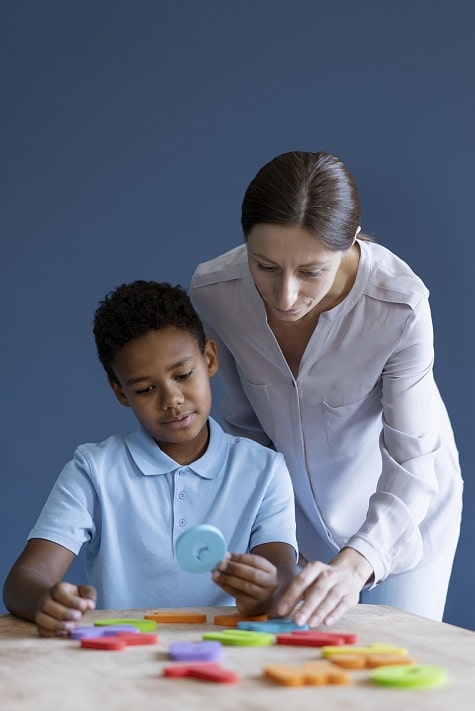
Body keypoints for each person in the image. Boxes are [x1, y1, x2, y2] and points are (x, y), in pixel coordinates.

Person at [190, 150, 463, 627]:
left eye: (312, 271)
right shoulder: (215, 293)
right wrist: (262, 535)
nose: (285, 297)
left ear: (351, 242)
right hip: (290, 526)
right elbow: (247, 428)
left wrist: (357, 563)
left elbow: (413, 460)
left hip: (402, 518)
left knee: (396, 689)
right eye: (266, 267)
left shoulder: (400, 307)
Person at [3, 281, 297, 636]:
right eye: (145, 389)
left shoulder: (263, 470)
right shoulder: (94, 471)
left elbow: (282, 573)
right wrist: (46, 601)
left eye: (183, 375)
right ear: (120, 392)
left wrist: (270, 588)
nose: (171, 399)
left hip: (225, 657)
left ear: (209, 359)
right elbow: (24, 580)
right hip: (119, 661)